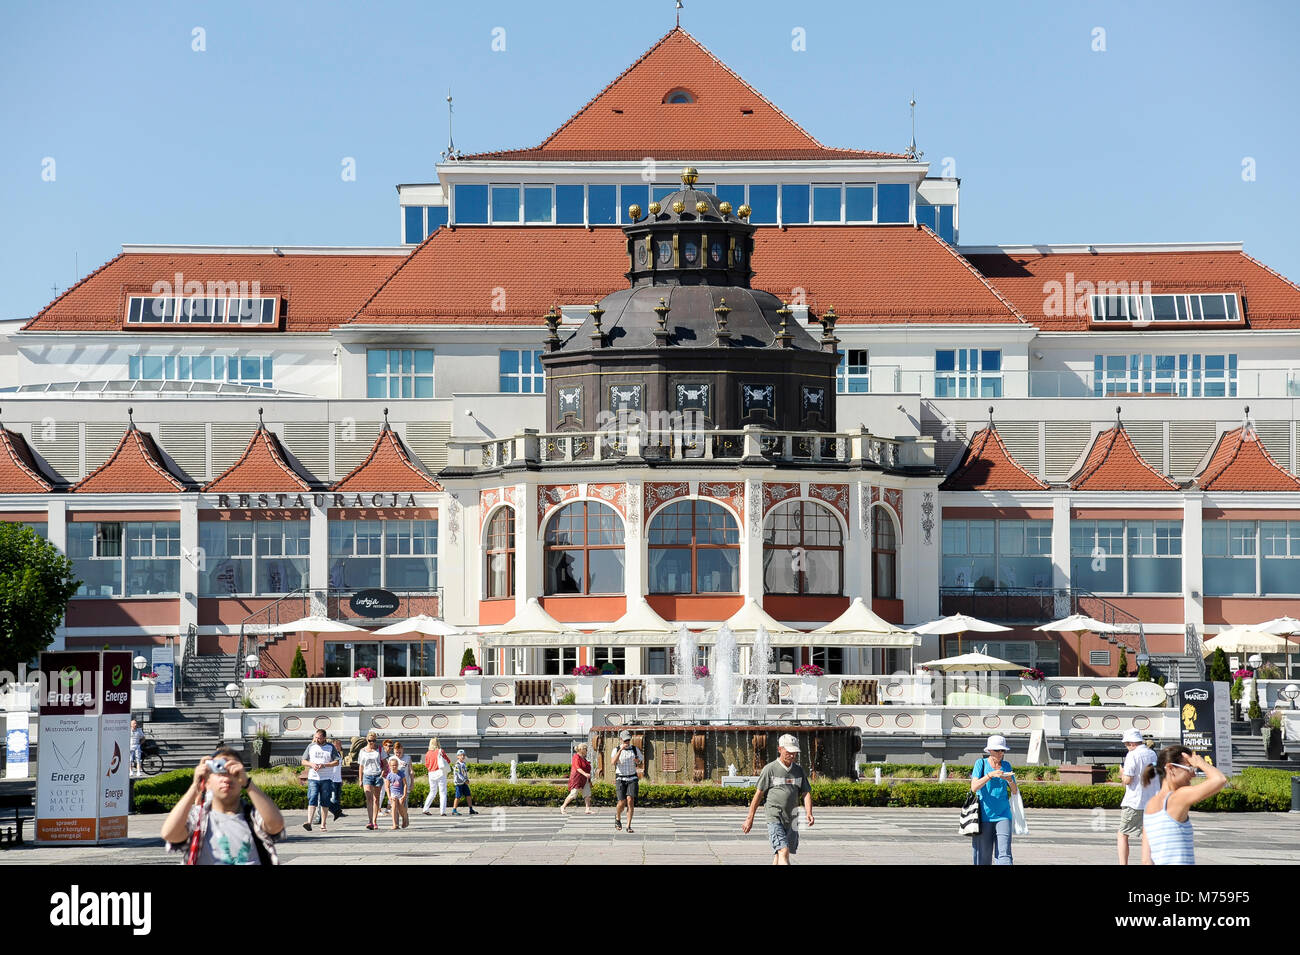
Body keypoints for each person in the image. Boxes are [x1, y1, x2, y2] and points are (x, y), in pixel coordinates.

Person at [161, 748, 284, 865]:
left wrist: (248, 784)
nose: (226, 778)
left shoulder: (252, 817)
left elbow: (275, 825)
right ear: (207, 782)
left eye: (234, 773)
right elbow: (170, 834)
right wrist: (195, 787)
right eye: (219, 771)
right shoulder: (198, 818)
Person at [1141, 746, 1227, 865]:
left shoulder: (1150, 805)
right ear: (1170, 768)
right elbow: (1219, 779)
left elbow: (1146, 860)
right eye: (1189, 768)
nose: (1193, 775)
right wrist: (1201, 763)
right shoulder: (1178, 796)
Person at [742, 734, 814, 865]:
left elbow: (806, 793)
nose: (792, 755)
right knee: (783, 850)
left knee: (779, 853)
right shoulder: (770, 769)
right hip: (775, 817)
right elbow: (758, 795)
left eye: (795, 753)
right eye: (789, 752)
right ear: (780, 749)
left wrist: (809, 813)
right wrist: (749, 818)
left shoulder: (798, 770)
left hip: (792, 818)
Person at [969, 734, 1019, 865]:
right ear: (989, 750)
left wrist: (1010, 781)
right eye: (997, 750)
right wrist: (990, 775)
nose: (1001, 753)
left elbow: (1014, 791)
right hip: (984, 815)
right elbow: (974, 787)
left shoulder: (1006, 765)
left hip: (1004, 814)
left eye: (1003, 750)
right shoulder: (981, 764)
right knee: (983, 856)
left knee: (1005, 854)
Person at [1117, 729, 1158, 865]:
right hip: (1152, 801)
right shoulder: (1152, 754)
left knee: (1122, 834)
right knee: (1147, 837)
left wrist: (1122, 774)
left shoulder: (1132, 755)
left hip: (1135, 801)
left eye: (1126, 744)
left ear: (1130, 743)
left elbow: (1128, 779)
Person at [302, 729, 338, 832]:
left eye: (319, 738)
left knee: (324, 801)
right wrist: (311, 764)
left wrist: (324, 765)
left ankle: (323, 824)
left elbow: (336, 762)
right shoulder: (311, 746)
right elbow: (303, 761)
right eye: (316, 737)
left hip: (326, 778)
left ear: (324, 738)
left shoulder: (330, 747)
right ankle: (309, 822)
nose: (317, 740)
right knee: (312, 798)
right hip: (313, 777)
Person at [611, 729, 643, 833]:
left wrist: (638, 761)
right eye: (625, 741)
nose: (627, 742)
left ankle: (628, 825)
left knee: (630, 800)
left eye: (628, 740)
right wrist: (620, 750)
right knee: (621, 802)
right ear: (620, 740)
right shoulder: (616, 750)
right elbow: (613, 762)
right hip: (620, 778)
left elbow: (641, 762)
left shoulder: (635, 749)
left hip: (632, 778)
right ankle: (618, 817)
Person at [356, 732, 386, 831]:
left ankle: (375, 821)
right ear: (366, 740)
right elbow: (361, 766)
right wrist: (360, 779)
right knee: (369, 798)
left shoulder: (380, 749)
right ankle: (370, 821)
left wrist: (383, 772)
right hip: (367, 775)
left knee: (376, 799)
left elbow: (385, 763)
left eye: (373, 741)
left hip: (377, 775)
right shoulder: (362, 751)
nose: (371, 743)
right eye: (370, 741)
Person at [560, 742, 594, 815]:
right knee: (573, 794)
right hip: (577, 779)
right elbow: (577, 768)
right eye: (586, 749)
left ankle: (587, 809)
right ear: (581, 749)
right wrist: (585, 774)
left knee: (587, 794)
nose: (587, 750)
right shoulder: (576, 757)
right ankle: (563, 806)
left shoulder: (583, 758)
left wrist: (589, 780)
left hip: (585, 779)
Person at [422, 737, 451, 816]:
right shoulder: (440, 751)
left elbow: (427, 765)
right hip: (440, 772)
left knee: (432, 792)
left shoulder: (428, 753)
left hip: (431, 773)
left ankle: (425, 808)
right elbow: (448, 761)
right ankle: (442, 811)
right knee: (442, 792)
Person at [383, 756, 410, 830]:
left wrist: (404, 795)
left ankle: (405, 818)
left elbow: (405, 784)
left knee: (401, 808)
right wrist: (389, 796)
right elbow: (387, 787)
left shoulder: (401, 773)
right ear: (389, 766)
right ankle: (395, 824)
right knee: (394, 807)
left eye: (395, 765)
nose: (394, 767)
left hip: (400, 794)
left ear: (397, 765)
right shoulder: (389, 775)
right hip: (393, 794)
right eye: (392, 765)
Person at [451, 749, 479, 816]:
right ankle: (454, 810)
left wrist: (467, 779)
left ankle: (471, 809)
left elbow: (464, 773)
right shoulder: (457, 765)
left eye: (464, 755)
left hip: (464, 783)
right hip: (459, 783)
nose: (462, 756)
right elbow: (458, 774)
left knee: (468, 795)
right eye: (461, 755)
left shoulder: (464, 764)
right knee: (458, 796)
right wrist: (464, 780)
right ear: (457, 756)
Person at [328, 738, 346, 821]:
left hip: (338, 779)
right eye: (338, 744)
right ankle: (335, 811)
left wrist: (341, 778)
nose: (339, 746)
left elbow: (339, 768)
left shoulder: (339, 754)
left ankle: (338, 811)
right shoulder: (331, 754)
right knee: (333, 798)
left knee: (338, 797)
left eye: (340, 744)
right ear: (334, 745)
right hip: (332, 779)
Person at [378, 739, 395, 815]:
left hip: (390, 776)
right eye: (389, 746)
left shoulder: (390, 756)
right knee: (381, 793)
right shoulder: (381, 754)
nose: (390, 747)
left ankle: (388, 808)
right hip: (383, 776)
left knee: (391, 792)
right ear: (384, 746)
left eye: (392, 746)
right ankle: (378, 810)